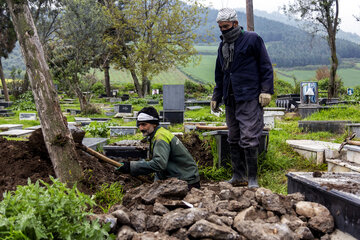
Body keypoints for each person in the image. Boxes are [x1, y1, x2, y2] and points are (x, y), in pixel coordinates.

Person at [210, 8, 274, 188]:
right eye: (220, 27)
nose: (223, 30)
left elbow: (265, 66)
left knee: (249, 136)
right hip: (230, 97)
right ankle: (238, 175)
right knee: (233, 136)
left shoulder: (252, 39)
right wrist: (217, 95)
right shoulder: (222, 46)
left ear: (235, 24)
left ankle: (252, 178)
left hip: (249, 95)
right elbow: (220, 74)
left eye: (226, 26)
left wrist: (266, 90)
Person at [116, 106, 200, 189]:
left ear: (154, 124)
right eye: (139, 125)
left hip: (186, 182)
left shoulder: (160, 138)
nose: (141, 128)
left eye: (144, 124)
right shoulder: (157, 134)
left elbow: (159, 164)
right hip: (182, 176)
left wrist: (131, 167)